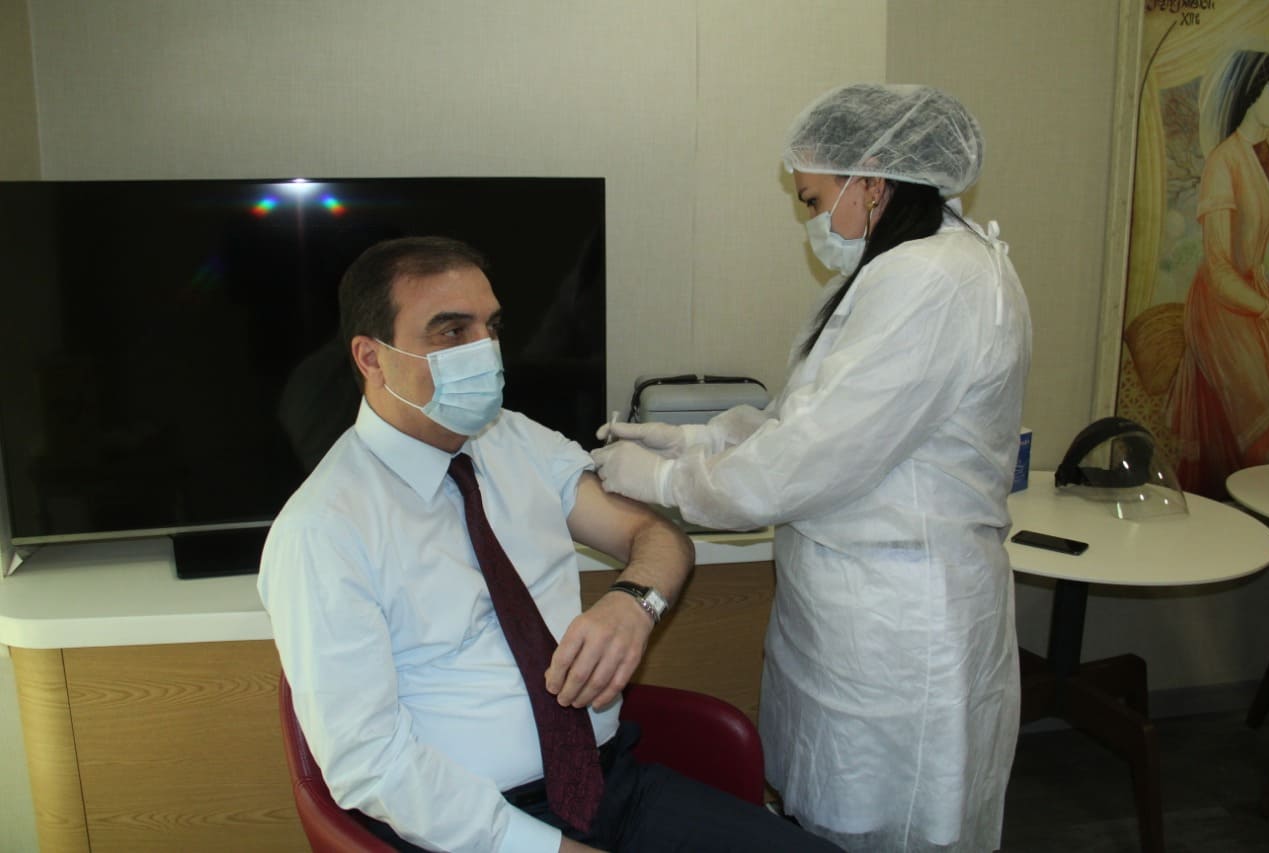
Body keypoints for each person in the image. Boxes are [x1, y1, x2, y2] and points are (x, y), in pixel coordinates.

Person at [258, 235, 841, 853]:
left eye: (490, 327)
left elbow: (656, 537)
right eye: (452, 332)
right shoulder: (323, 530)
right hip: (473, 829)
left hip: (610, 785)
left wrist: (634, 604)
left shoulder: (514, 441)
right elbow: (370, 763)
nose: (484, 351)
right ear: (372, 358)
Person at [592, 83, 1032, 852]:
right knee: (830, 817)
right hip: (856, 607)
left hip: (898, 624)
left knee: (885, 827)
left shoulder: (932, 281)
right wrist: (695, 441)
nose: (812, 220)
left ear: (873, 180)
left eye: (813, 199)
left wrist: (662, 482)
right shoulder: (906, 268)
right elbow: (809, 418)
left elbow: (804, 461)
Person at [1164, 49, 1269, 499]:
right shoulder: (1224, 162)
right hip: (1221, 304)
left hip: (1256, 295)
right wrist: (1268, 309)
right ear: (1251, 91)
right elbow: (1218, 268)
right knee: (1265, 434)